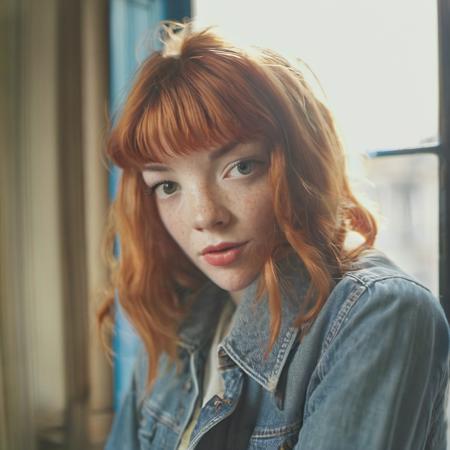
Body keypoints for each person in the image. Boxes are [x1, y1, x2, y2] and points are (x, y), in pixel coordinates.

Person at [99, 22, 450, 450]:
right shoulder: (178, 321)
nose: (206, 216)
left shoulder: (378, 312)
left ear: (301, 164)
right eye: (168, 186)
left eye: (241, 167)